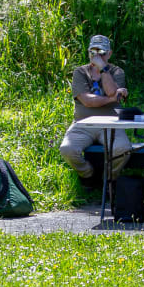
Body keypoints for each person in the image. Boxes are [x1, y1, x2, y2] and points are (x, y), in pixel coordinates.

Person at [58, 34, 131, 188]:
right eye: (93, 52)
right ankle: (88, 175)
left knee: (123, 148)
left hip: (111, 124)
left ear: (109, 54)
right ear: (88, 52)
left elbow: (111, 90)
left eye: (101, 53)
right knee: (67, 149)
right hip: (83, 124)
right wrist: (112, 99)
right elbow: (87, 101)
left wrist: (103, 69)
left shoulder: (117, 72)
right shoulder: (80, 72)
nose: (97, 56)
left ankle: (108, 179)